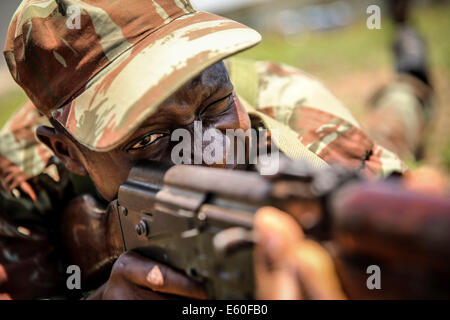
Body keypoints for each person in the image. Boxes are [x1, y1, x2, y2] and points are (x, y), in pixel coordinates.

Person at [0, 0, 441, 300]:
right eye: (147, 140)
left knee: (396, 118)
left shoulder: (306, 126)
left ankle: (412, 77)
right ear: (68, 152)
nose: (210, 151)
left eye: (214, 106)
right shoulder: (23, 175)